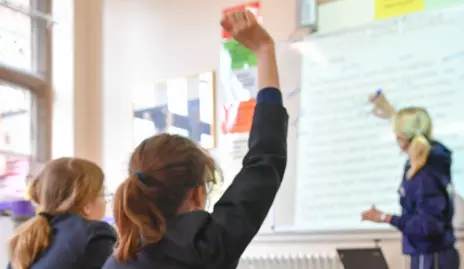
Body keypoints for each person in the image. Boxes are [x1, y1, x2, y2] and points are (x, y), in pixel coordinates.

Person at [102, 9, 287, 269]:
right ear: (197, 195)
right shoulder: (208, 247)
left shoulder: (115, 261)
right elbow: (265, 157)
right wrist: (265, 51)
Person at [361, 92, 460, 269]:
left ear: (400, 136)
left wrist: (385, 217)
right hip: (432, 254)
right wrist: (389, 111)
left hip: (430, 256)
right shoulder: (432, 159)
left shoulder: (424, 173)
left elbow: (427, 226)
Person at [7, 157, 116, 269]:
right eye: (103, 194)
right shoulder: (94, 233)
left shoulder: (25, 240)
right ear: (87, 205)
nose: (106, 201)